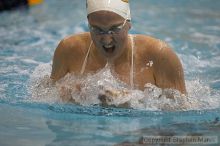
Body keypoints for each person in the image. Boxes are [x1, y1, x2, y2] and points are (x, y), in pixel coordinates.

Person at [50, 0, 186, 101]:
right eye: (96, 29)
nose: (107, 40)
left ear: (129, 23)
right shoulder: (68, 49)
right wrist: (68, 95)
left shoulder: (159, 55)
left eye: (115, 29)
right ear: (88, 24)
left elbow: (182, 111)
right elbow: (45, 94)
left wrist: (130, 101)